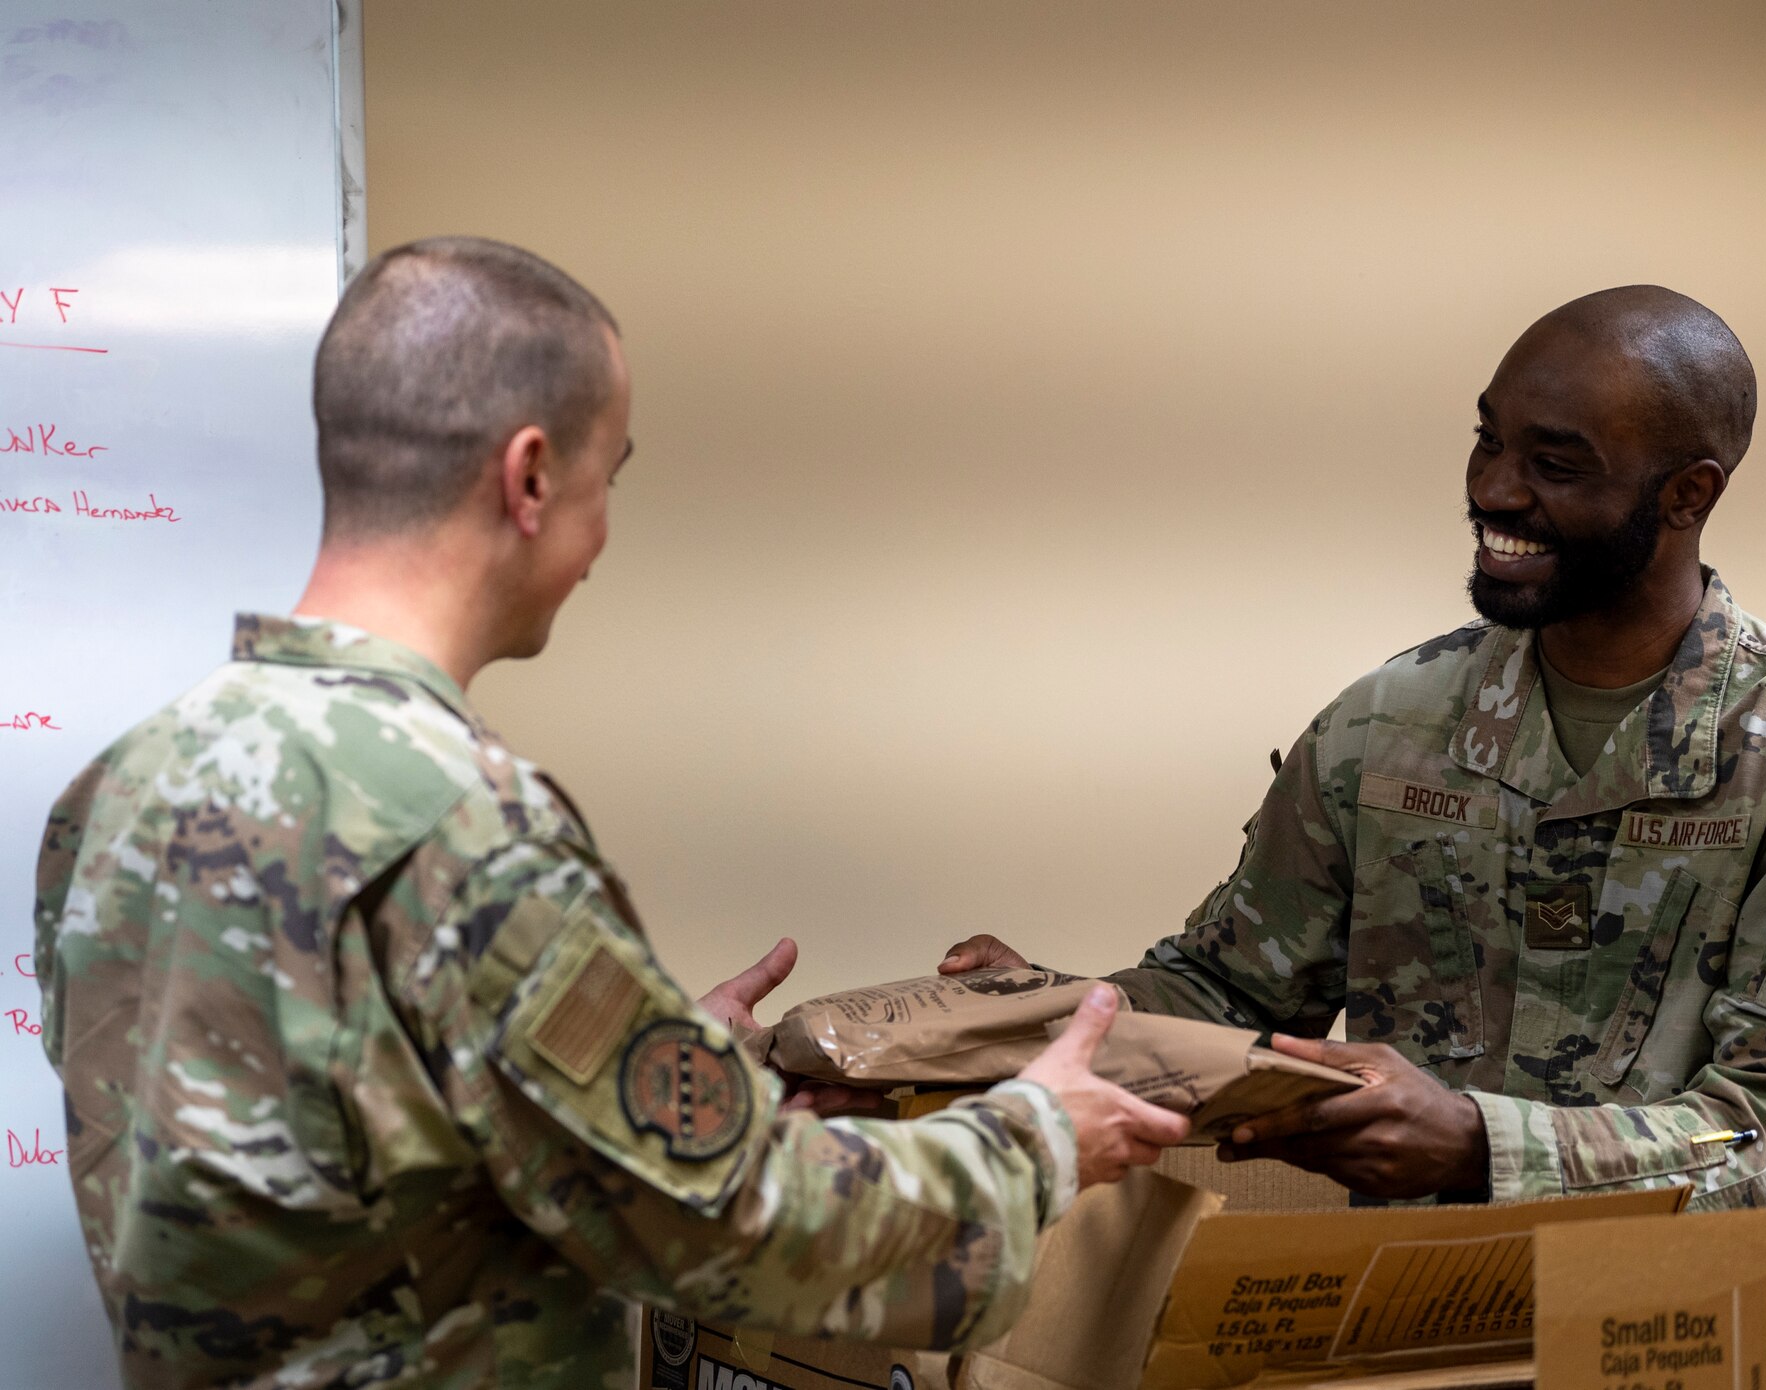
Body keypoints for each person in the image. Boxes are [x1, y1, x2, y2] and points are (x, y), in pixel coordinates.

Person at [35, 237, 1186, 1390]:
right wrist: (1035, 1136)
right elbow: (747, 1228)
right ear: (529, 475)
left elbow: (333, 1131)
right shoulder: (459, 832)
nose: (602, 535)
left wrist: (674, 1062)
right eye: (609, 476)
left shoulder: (122, 789)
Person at [940, 286, 1766, 1210]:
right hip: (1405, 1323)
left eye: (1553, 465)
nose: (1494, 491)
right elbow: (1233, 991)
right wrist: (1053, 1017)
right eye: (1486, 441)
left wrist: (1478, 1144)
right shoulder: (1385, 726)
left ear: (1685, 495)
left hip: (1678, 1333)